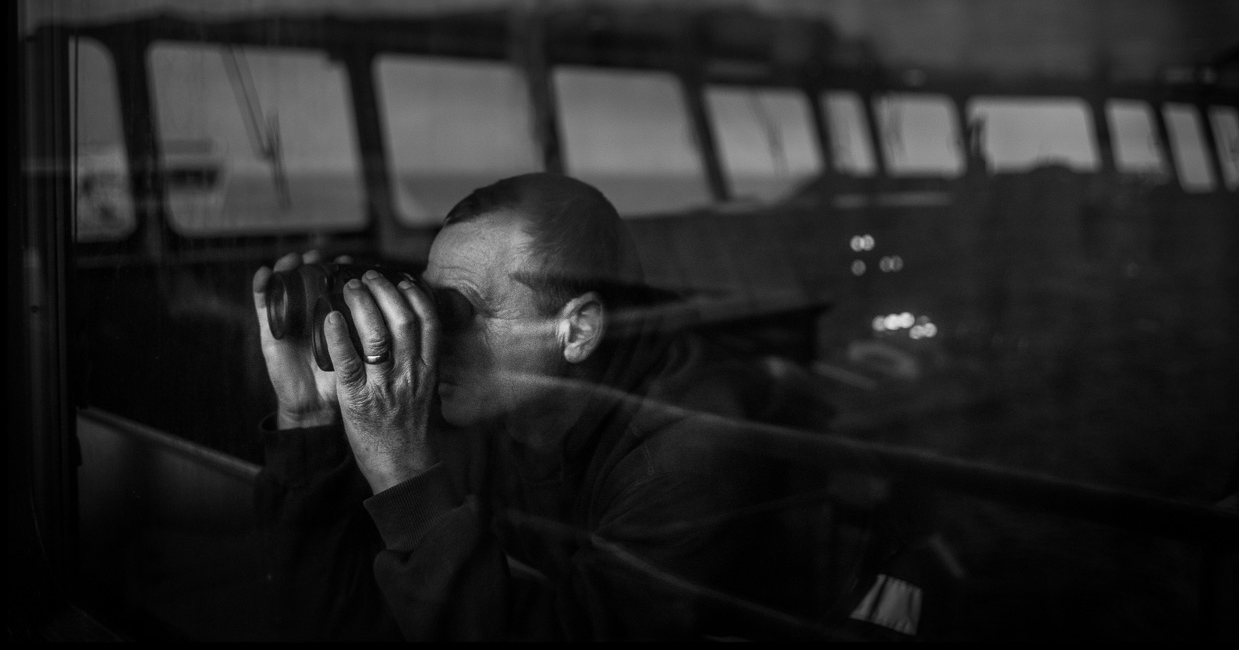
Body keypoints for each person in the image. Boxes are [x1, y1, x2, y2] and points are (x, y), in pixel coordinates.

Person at [251, 173, 837, 641]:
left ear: (576, 330)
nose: (429, 332)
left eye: (459, 309)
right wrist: (308, 422)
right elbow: (340, 623)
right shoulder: (488, 410)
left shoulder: (694, 448)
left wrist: (401, 469)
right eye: (427, 298)